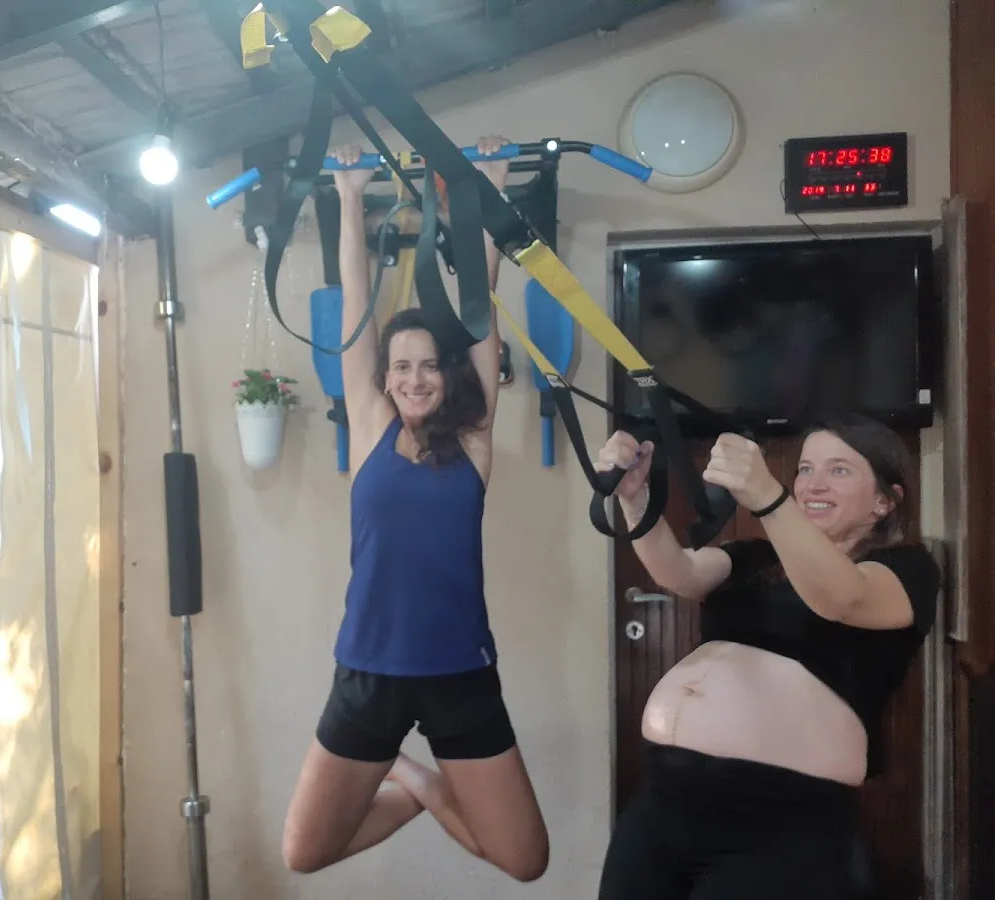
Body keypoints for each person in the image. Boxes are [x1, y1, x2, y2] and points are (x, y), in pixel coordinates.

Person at [280, 135, 550, 882]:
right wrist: (346, 197)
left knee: (524, 859)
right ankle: (407, 771)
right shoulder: (371, 426)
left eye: (430, 365)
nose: (415, 377)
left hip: (462, 676)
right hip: (367, 673)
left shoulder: (474, 437)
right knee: (305, 852)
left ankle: (420, 781)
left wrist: (488, 187)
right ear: (386, 377)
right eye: (401, 366)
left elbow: (480, 310)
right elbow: (356, 309)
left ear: (448, 373)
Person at [594, 414, 941, 900]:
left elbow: (842, 597)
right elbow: (679, 572)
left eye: (839, 470)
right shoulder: (757, 556)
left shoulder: (905, 569)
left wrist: (768, 498)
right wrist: (636, 501)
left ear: (885, 501)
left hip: (780, 816)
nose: (814, 484)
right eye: (805, 469)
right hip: (666, 796)